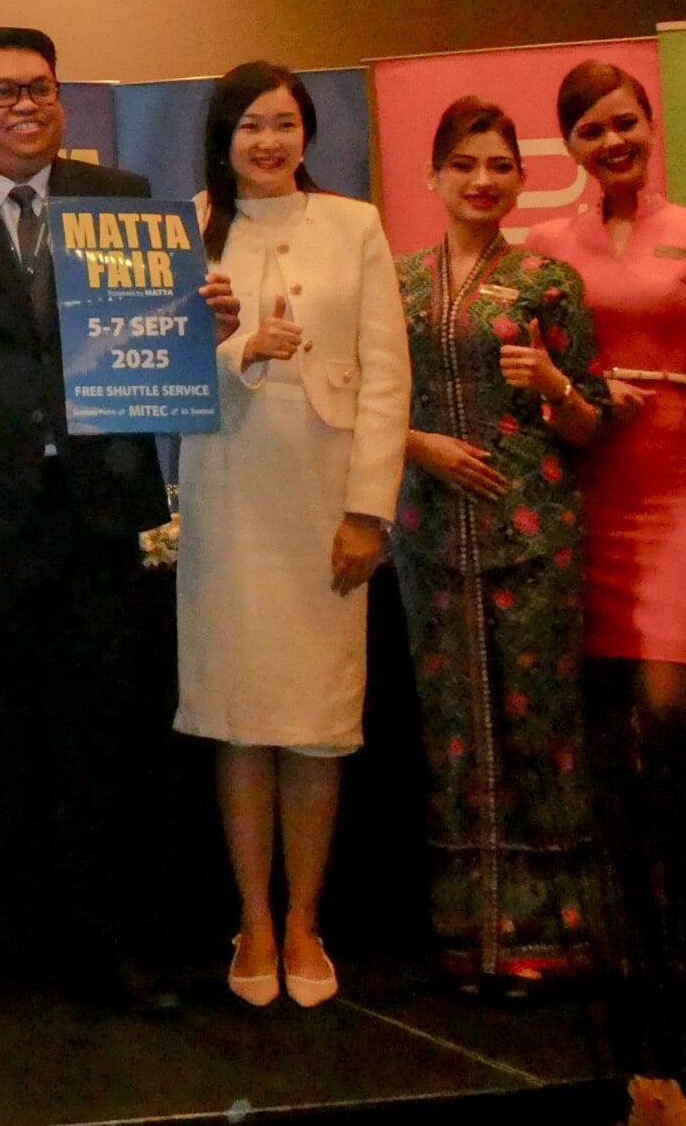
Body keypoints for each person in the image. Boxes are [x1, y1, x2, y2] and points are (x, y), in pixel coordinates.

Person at [0, 27, 182, 1022]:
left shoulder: (122, 197)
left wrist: (202, 319)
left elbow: (152, 331)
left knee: (98, 732)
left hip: (97, 503)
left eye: (42, 87)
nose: (27, 105)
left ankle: (104, 942)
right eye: (4, 90)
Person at [176, 61, 407, 1010]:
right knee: (240, 716)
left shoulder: (355, 224)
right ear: (223, 138)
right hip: (229, 495)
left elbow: (386, 376)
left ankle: (306, 917)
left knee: (316, 724)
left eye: (283, 123)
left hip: (325, 503)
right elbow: (157, 369)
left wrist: (368, 510)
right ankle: (254, 919)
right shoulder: (188, 226)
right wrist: (240, 349)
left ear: (307, 132)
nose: (267, 142)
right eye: (249, 125)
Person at [522, 61, 686, 1040]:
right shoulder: (544, 244)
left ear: (649, 124)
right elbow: (538, 369)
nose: (610, 141)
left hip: (673, 480)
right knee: (603, 724)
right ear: (570, 145)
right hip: (583, 475)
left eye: (624, 122)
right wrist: (577, 391)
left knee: (663, 712)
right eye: (589, 130)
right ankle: (626, 928)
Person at [392, 96, 604, 995]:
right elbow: (356, 396)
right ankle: (467, 933)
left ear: (522, 180)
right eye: (465, 164)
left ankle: (555, 935)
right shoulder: (397, 283)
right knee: (451, 728)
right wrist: (419, 445)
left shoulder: (549, 282)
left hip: (534, 533)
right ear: (433, 176)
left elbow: (590, 423)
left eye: (500, 166)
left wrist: (554, 382)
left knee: (540, 725)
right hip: (431, 534)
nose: (482, 181)